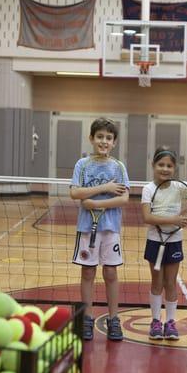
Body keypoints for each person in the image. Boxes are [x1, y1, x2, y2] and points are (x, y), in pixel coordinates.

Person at [70, 118, 130, 341]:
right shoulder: (82, 164)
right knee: (87, 272)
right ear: (91, 139)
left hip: (110, 228)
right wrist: (105, 188)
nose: (104, 141)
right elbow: (75, 193)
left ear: (114, 142)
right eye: (100, 137)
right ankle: (87, 318)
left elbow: (124, 198)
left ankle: (114, 319)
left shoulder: (119, 167)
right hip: (87, 228)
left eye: (108, 138)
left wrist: (96, 204)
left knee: (111, 273)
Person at [141, 147, 187, 340]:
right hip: (155, 242)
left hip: (174, 242)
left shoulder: (178, 186)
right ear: (153, 165)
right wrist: (174, 220)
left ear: (174, 168)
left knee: (171, 282)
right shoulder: (148, 189)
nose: (165, 169)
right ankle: (156, 321)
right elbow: (147, 217)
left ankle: (171, 322)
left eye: (169, 166)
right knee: (157, 282)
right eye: (161, 165)